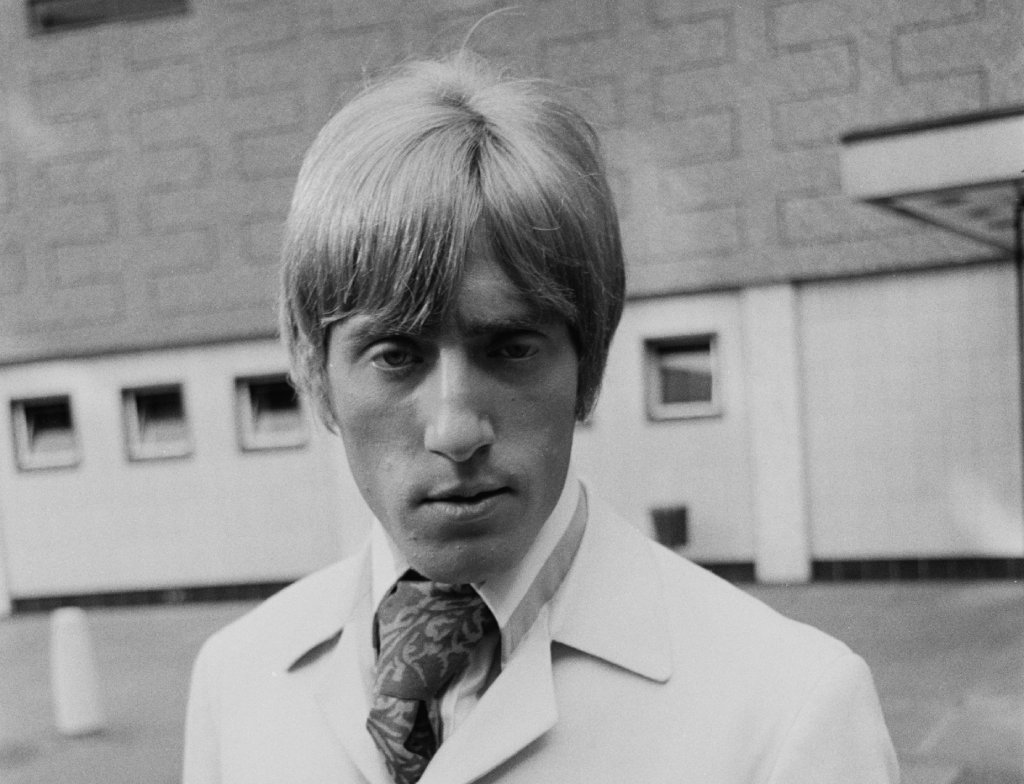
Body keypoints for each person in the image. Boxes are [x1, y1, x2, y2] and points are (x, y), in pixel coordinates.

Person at [183, 51, 899, 784]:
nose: (456, 429)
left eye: (512, 348)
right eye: (396, 355)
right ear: (315, 372)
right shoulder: (237, 682)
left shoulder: (788, 711)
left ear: (587, 366)